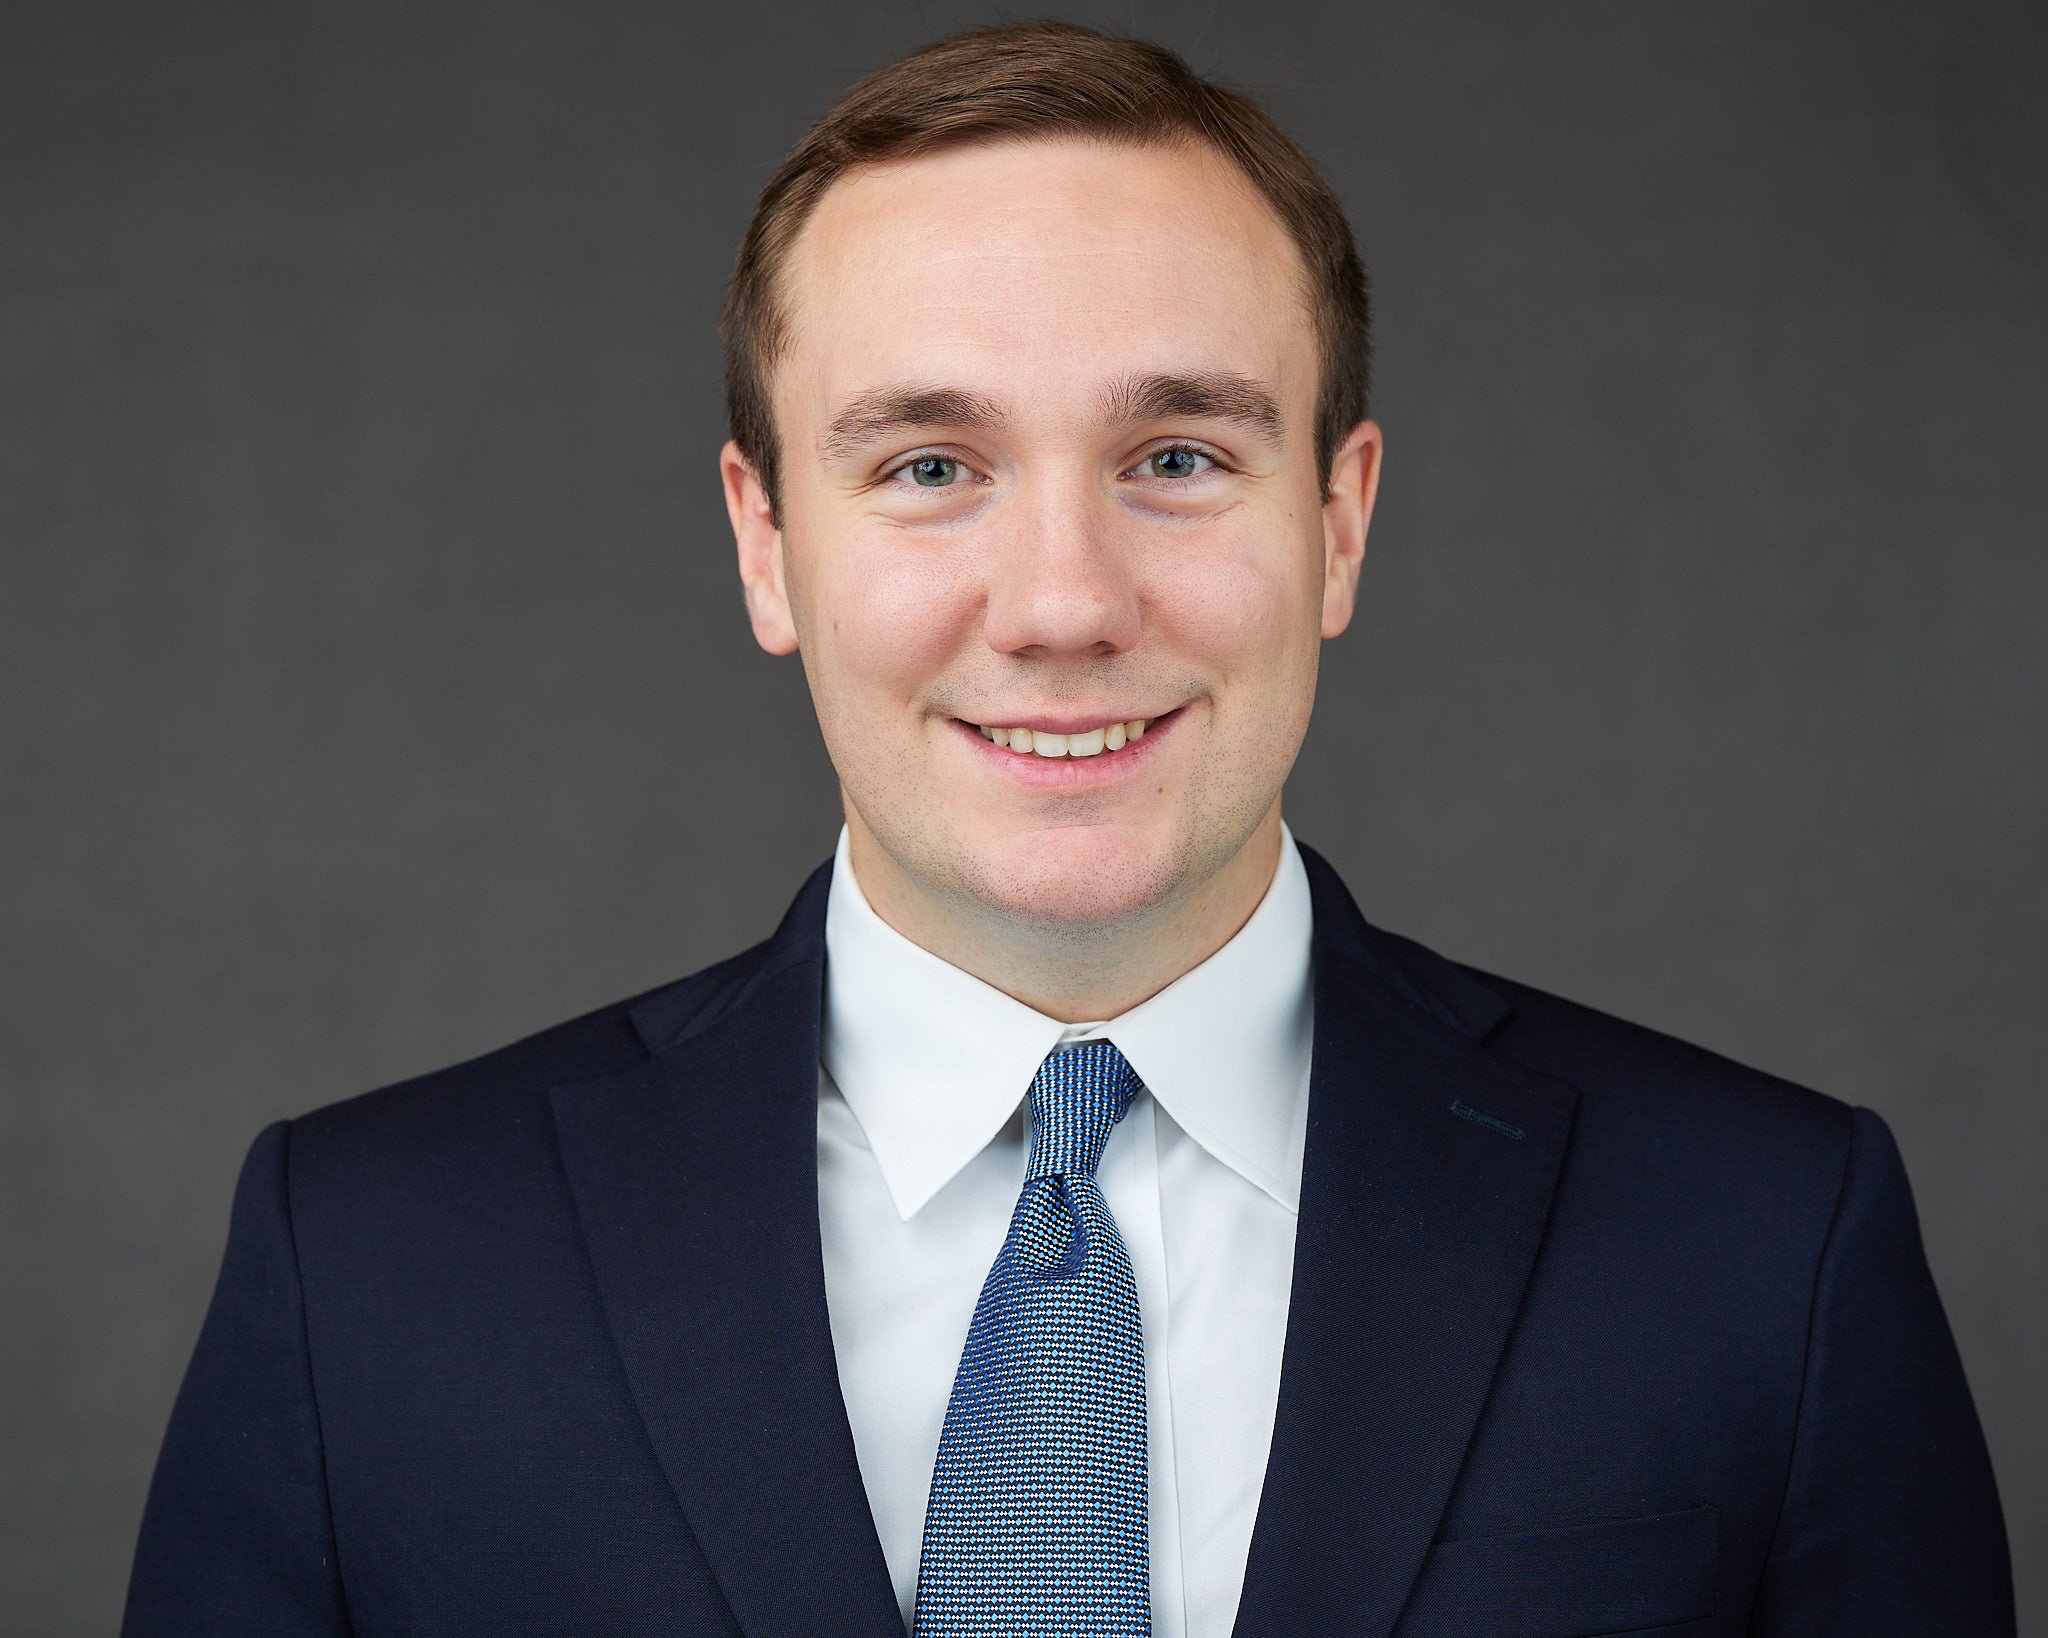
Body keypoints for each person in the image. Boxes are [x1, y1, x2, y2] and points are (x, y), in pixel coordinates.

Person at [121, 21, 2014, 1637]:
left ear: (1339, 522)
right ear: (764, 539)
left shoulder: (1769, 1246)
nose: (1059, 601)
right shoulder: (366, 1271)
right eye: (931, 466)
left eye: (1177, 458)